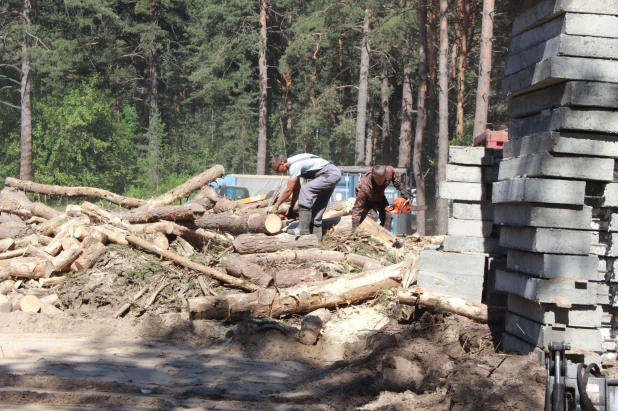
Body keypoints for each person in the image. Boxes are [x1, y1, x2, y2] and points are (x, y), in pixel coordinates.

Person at [270, 153, 342, 241]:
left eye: (277, 170)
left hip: (329, 174)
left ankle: (303, 228)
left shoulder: (294, 166)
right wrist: (291, 208)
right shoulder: (293, 165)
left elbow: (289, 190)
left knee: (306, 190)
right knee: (318, 206)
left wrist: (276, 206)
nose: (277, 173)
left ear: (282, 163)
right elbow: (296, 190)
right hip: (332, 174)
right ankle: (316, 240)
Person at [352, 165, 407, 231]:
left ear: (385, 175)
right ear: (373, 177)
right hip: (367, 200)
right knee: (373, 216)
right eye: (378, 181)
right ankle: (369, 237)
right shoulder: (364, 186)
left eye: (382, 180)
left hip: (380, 197)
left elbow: (396, 180)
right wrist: (354, 225)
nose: (381, 183)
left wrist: (402, 189)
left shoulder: (389, 171)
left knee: (388, 215)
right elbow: (357, 207)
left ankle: (386, 236)